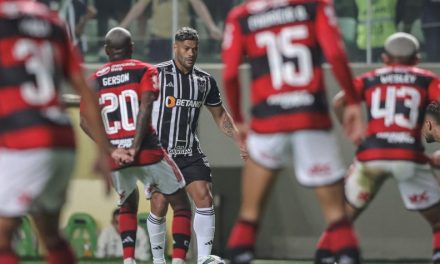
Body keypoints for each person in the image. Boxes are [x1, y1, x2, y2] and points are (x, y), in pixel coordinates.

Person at [221, 0, 365, 263]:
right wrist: (354, 101)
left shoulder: (240, 16)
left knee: (249, 216)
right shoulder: (315, 6)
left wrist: (240, 119)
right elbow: (335, 54)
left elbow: (230, 74)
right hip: (311, 117)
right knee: (336, 217)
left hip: (267, 122)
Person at [0, 0, 112, 263]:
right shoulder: (52, 21)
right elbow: (84, 90)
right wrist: (102, 151)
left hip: (23, 138)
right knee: (50, 233)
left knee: (3, 236)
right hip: (63, 139)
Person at [79, 27, 192, 264]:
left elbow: (84, 122)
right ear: (132, 48)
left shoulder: (93, 81)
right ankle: (179, 261)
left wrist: (113, 150)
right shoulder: (145, 70)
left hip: (116, 158)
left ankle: (128, 261)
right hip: (148, 150)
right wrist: (134, 146)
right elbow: (145, 107)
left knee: (127, 204)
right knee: (181, 205)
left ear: (106, 50)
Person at [333, 32, 440, 263]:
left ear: (384, 58)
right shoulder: (426, 78)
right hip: (408, 156)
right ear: (417, 59)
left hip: (372, 155)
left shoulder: (371, 77)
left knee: (341, 220)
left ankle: (335, 258)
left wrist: (353, 130)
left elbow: (339, 101)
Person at [145, 27, 246, 264]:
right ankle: (158, 260)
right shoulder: (155, 75)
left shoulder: (204, 81)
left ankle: (204, 259)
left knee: (204, 197)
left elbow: (220, 116)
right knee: (158, 205)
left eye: (195, 49)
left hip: (190, 151)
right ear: (175, 48)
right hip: (161, 154)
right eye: (186, 48)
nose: (191, 53)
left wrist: (240, 140)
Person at [119, 0, 222, 62]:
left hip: (182, 38)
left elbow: (198, 5)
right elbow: (139, 7)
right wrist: (122, 26)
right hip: (159, 37)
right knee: (158, 74)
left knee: (182, 75)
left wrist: (211, 26)